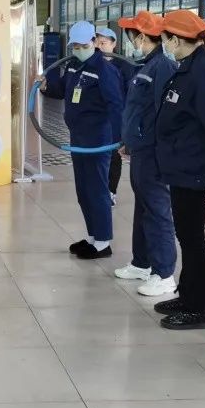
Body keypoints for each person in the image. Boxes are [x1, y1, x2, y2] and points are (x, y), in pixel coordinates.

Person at [152, 10, 205, 330]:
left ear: (177, 39)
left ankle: (199, 307)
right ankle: (188, 295)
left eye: (165, 39)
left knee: (193, 237)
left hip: (195, 168)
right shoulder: (189, 67)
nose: (164, 45)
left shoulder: (204, 71)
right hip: (183, 166)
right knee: (186, 235)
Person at [114, 10, 178, 296]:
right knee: (143, 207)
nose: (130, 41)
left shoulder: (162, 67)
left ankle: (164, 274)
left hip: (153, 152)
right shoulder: (146, 66)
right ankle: (142, 263)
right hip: (140, 149)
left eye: (131, 36)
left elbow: (164, 112)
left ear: (141, 37)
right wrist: (129, 139)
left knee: (157, 210)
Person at [62, 20, 124, 259]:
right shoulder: (73, 65)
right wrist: (45, 84)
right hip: (78, 137)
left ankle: (103, 242)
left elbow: (116, 105)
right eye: (75, 46)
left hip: (98, 140)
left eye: (83, 45)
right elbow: (61, 90)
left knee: (97, 190)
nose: (78, 49)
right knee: (83, 190)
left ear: (93, 43)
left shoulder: (104, 70)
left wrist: (120, 140)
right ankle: (93, 236)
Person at [95, 27, 135, 200]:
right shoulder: (92, 64)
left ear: (114, 44)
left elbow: (129, 94)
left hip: (115, 118)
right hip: (97, 119)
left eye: (103, 43)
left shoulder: (124, 66)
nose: (99, 46)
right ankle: (98, 189)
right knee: (96, 155)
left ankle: (111, 191)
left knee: (113, 155)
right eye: (96, 43)